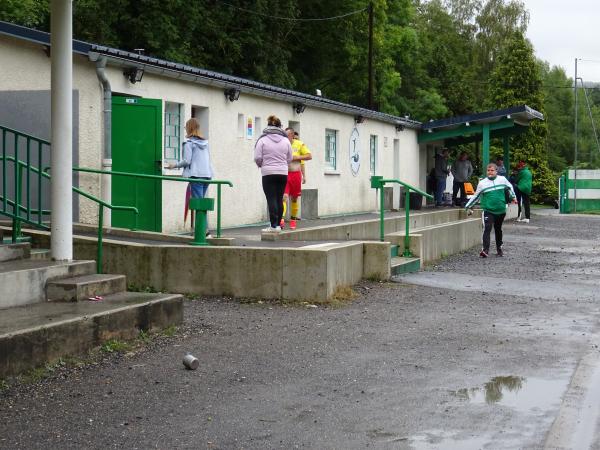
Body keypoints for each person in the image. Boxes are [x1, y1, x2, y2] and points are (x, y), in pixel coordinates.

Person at [168, 118, 214, 235]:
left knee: (199, 205)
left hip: (196, 176)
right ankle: (202, 230)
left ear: (189, 128)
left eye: (186, 127)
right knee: (201, 203)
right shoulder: (206, 143)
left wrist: (174, 165)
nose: (185, 129)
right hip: (207, 176)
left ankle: (204, 231)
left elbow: (187, 161)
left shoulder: (189, 143)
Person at [465, 163, 516, 258]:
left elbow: (510, 187)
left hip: (501, 210)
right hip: (488, 210)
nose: (490, 172)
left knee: (498, 229)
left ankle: (499, 248)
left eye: (492, 170)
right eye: (488, 170)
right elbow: (476, 196)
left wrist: (513, 197)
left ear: (496, 171)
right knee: (487, 228)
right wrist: (468, 206)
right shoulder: (482, 183)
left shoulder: (502, 179)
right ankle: (485, 250)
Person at [254, 115, 292, 233]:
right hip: (282, 173)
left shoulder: (262, 140)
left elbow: (257, 157)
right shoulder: (286, 140)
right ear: (280, 126)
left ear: (268, 126)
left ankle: (273, 225)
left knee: (271, 198)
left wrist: (262, 165)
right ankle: (278, 225)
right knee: (279, 198)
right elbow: (289, 158)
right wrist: (282, 164)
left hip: (268, 173)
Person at [281, 128, 312, 230]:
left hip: (295, 174)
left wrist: (295, 158)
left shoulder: (299, 144)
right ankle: (281, 219)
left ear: (292, 135)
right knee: (284, 197)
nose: (285, 137)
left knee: (294, 198)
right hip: (285, 174)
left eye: (287, 135)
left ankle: (293, 220)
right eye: (284, 135)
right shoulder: (282, 144)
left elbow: (309, 156)